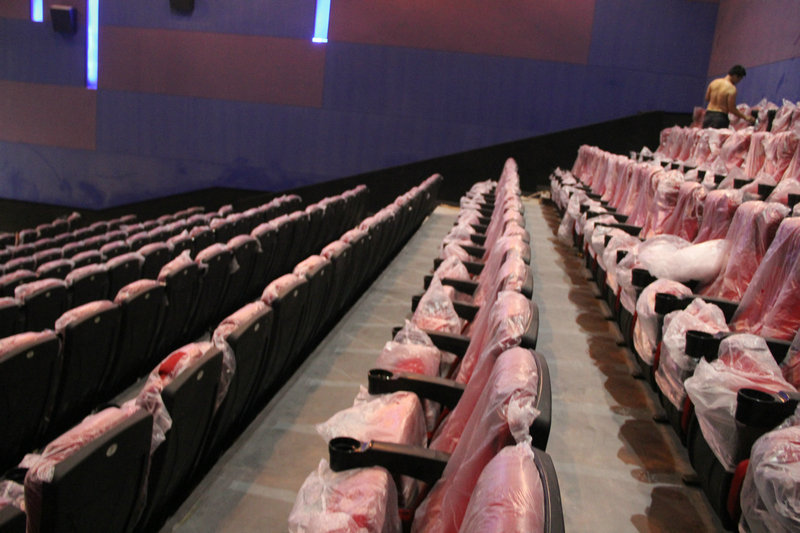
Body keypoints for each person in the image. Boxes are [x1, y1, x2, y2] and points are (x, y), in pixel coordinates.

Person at [702, 64, 756, 129]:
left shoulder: (713, 82)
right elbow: (732, 109)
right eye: (739, 79)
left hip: (708, 116)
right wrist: (746, 117)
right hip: (720, 118)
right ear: (735, 76)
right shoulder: (731, 88)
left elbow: (707, 98)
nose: (738, 82)